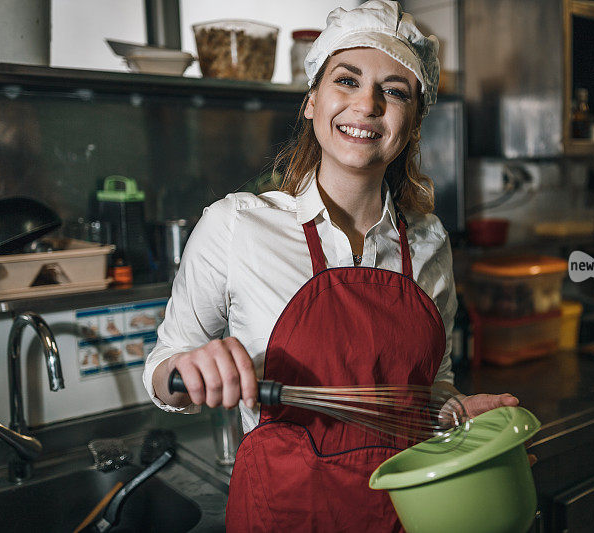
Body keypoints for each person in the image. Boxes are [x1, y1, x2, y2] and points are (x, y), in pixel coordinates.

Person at [144, 1, 519, 530]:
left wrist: (455, 414)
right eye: (347, 80)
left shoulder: (431, 241)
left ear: (411, 123)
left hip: (405, 515)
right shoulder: (236, 226)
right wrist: (187, 371)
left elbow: (429, 386)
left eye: (394, 90)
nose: (366, 104)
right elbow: (163, 369)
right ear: (311, 102)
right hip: (283, 516)